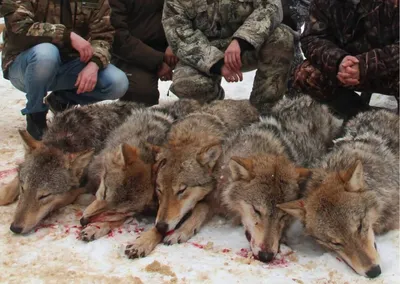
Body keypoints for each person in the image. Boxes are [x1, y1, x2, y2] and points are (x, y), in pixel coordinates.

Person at [0, 0, 129, 140]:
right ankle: (35, 114)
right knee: (47, 53)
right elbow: (18, 27)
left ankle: (61, 100)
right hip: (27, 66)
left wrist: (94, 64)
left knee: (117, 82)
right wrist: (67, 36)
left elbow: (103, 36)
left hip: (71, 63)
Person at [162, 0, 295, 111]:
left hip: (247, 46)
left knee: (281, 37)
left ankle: (264, 109)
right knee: (186, 85)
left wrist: (241, 40)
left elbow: (271, 7)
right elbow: (178, 34)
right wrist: (217, 63)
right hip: (203, 50)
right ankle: (214, 109)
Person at [293, 0, 399, 118]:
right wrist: (338, 61)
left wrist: (364, 65)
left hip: (387, 71)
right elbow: (311, 37)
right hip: (343, 71)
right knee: (307, 75)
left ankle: (394, 128)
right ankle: (360, 119)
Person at [110, 0, 178, 106]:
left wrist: (174, 43)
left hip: (174, 46)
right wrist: (158, 62)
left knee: (199, 81)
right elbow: (118, 38)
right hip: (133, 54)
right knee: (142, 94)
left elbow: (185, 17)